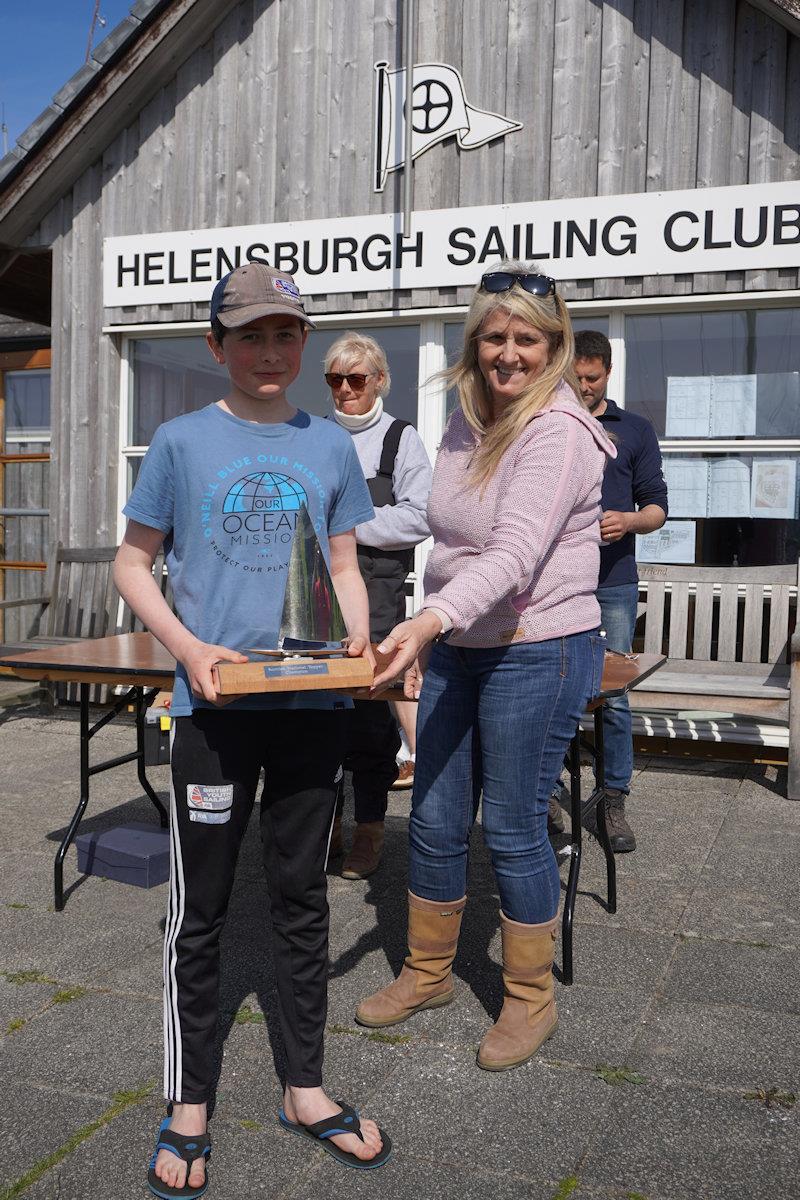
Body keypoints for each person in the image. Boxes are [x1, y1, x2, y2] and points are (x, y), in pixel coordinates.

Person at [113, 262, 391, 1199]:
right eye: (250, 337)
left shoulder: (329, 446)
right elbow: (133, 565)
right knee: (204, 908)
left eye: (286, 336)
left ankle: (304, 1088)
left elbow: (346, 563)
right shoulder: (181, 441)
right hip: (217, 712)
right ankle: (188, 1102)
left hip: (311, 706)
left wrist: (355, 627)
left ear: (303, 346)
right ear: (217, 347)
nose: (270, 353)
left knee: (302, 899)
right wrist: (189, 650)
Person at [355, 262, 615, 1072]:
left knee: (509, 825)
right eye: (494, 337)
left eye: (526, 338)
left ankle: (529, 997)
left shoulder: (560, 432)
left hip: (538, 646)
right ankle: (429, 971)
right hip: (463, 644)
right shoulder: (470, 420)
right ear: (476, 344)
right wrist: (435, 626)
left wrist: (426, 620)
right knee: (431, 819)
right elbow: (450, 537)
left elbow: (514, 551)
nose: (509, 354)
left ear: (555, 346)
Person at [325, 332, 432, 879]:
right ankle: (323, 831)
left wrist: (348, 528)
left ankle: (368, 831)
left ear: (380, 381)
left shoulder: (401, 439)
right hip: (321, 592)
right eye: (335, 380)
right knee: (316, 717)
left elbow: (421, 515)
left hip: (379, 588)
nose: (345, 389)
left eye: (357, 379)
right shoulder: (314, 436)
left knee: (369, 717)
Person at [574, 330, 668, 853]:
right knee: (553, 686)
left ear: (608, 373)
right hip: (552, 585)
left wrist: (629, 520)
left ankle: (612, 799)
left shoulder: (634, 429)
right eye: (576, 378)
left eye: (591, 379)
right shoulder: (546, 423)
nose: (583, 388)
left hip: (612, 582)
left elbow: (657, 505)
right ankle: (550, 795)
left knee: (613, 696)